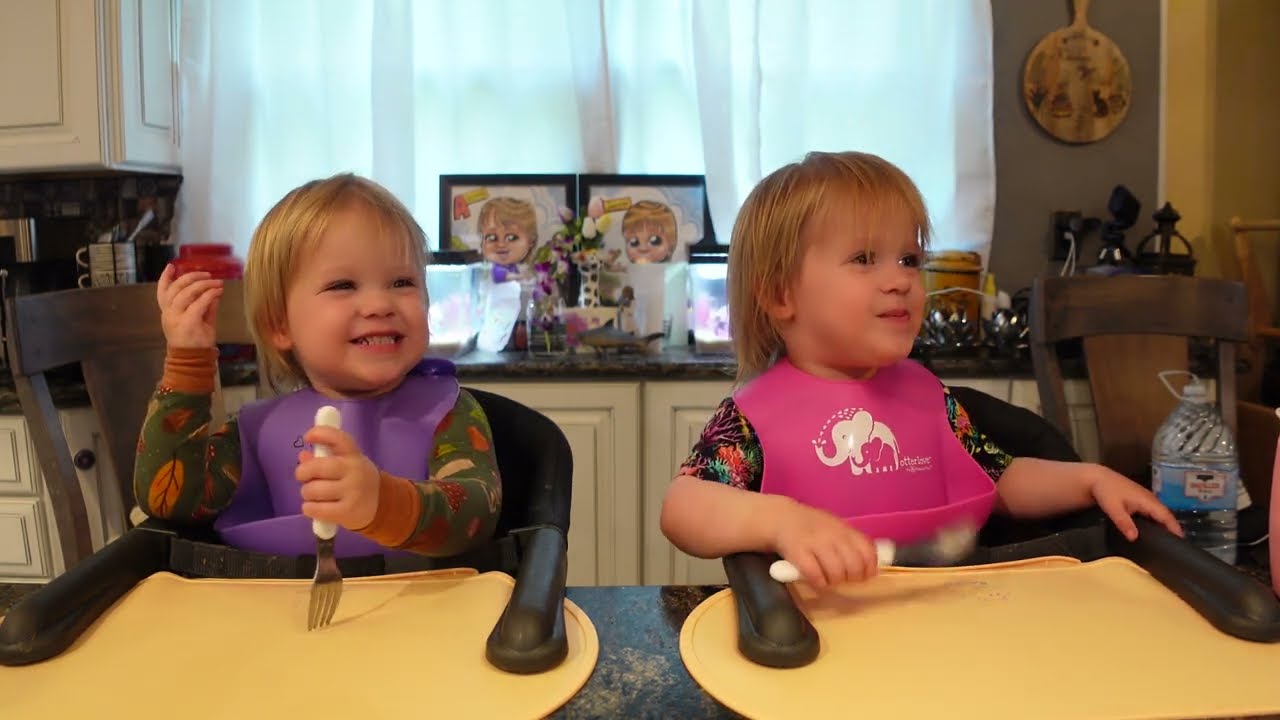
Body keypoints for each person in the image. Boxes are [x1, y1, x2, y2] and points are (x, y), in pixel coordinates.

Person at [659, 151, 1181, 589]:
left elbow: (999, 478)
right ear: (780, 294)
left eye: (909, 259)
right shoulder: (753, 419)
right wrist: (783, 522)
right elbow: (684, 507)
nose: (899, 280)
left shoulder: (930, 397)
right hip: (822, 636)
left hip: (949, 617)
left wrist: (1090, 479)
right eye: (865, 258)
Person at [134, 173, 502, 560]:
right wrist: (188, 365)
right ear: (280, 325)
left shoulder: (447, 413)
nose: (380, 304)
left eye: (402, 282)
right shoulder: (256, 434)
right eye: (343, 285)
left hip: (431, 607)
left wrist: (383, 503)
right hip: (281, 611)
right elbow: (170, 500)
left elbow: (479, 512)